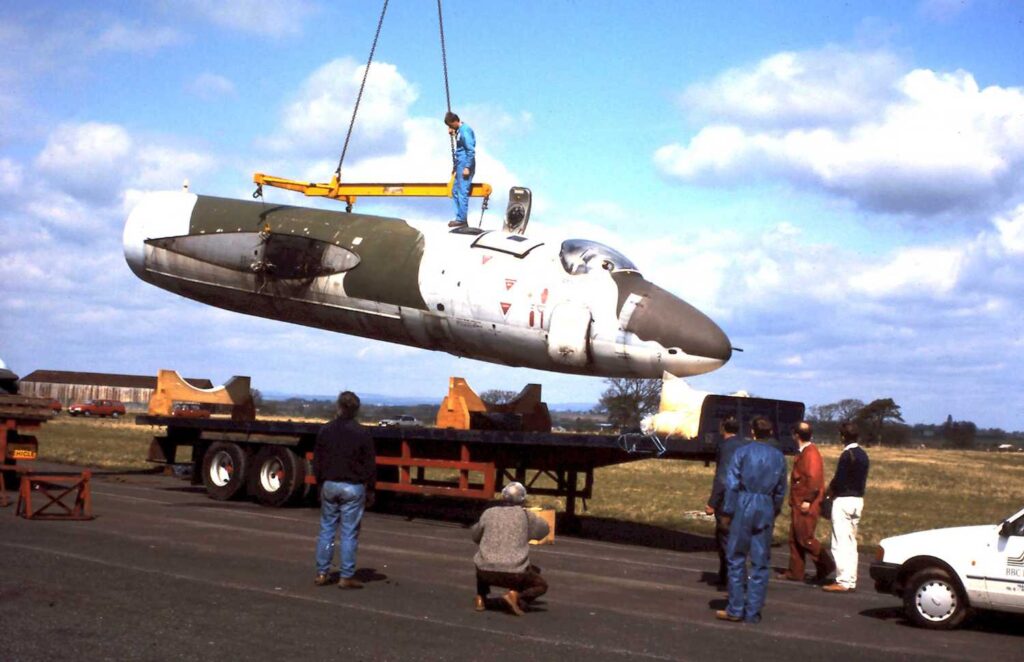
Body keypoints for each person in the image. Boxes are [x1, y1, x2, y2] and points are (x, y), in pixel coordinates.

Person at [716, 416, 787, 624]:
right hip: (765, 504)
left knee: (736, 557)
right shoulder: (778, 456)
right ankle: (753, 611)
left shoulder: (742, 452)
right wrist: (773, 510)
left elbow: (732, 484)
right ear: (770, 433)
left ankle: (735, 608)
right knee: (760, 561)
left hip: (744, 503)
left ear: (752, 432)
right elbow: (781, 489)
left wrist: (727, 512)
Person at [313, 390, 377, 589]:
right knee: (349, 533)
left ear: (338, 407)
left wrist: (319, 483)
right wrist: (371, 489)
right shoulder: (363, 433)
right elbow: (369, 465)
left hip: (330, 484)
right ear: (356, 410)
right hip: (353, 487)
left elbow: (318, 461)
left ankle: (322, 573)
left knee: (327, 530)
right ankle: (346, 576)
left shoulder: (325, 430)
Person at [471, 481, 549, 615]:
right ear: (523, 499)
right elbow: (544, 530)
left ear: (503, 497)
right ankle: (515, 596)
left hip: (485, 573)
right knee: (540, 584)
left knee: (483, 560)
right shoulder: (526, 515)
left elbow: (475, 535)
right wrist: (527, 534)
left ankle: (481, 598)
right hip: (514, 574)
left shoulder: (489, 512)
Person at [777, 421, 835, 583]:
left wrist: (808, 500)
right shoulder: (804, 452)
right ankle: (795, 572)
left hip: (806, 503)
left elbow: (814, 478)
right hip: (799, 502)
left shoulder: (810, 454)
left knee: (805, 537)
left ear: (796, 435)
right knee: (794, 538)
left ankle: (826, 564)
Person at [822, 421, 870, 593]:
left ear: (843, 437)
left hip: (843, 500)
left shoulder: (846, 454)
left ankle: (842, 580)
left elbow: (839, 480)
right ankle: (850, 579)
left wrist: (828, 494)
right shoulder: (863, 454)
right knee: (851, 542)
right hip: (858, 500)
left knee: (840, 542)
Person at [704, 415, 751, 588]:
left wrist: (712, 502)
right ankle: (727, 576)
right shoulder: (746, 445)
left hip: (728, 500)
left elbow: (723, 477)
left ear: (723, 428)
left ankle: (734, 579)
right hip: (745, 498)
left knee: (725, 539)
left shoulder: (725, 447)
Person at [444, 111, 476, 228]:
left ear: (454, 121)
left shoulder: (465, 130)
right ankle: (459, 217)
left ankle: (462, 219)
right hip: (460, 164)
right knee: (454, 191)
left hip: (465, 164)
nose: (450, 127)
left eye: (450, 125)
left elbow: (470, 150)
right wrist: (454, 132)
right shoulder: (460, 131)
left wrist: (467, 167)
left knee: (462, 192)